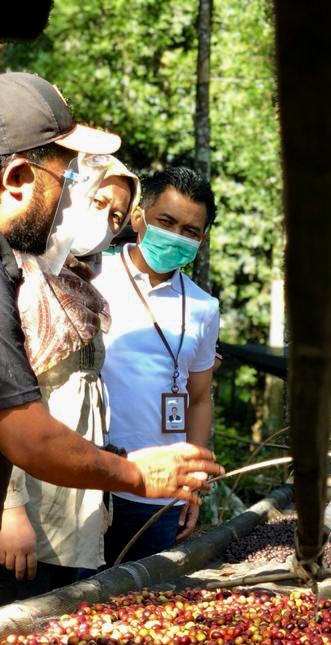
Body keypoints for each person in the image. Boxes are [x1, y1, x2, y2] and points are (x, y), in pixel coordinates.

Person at [0, 73, 221, 638]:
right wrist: (130, 474)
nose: (74, 195)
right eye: (69, 175)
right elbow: (26, 434)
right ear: (19, 178)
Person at [0, 158, 142, 603]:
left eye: (116, 215)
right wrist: (10, 510)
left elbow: (89, 402)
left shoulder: (79, 286)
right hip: (28, 505)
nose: (104, 220)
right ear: (69, 190)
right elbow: (3, 402)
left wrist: (101, 496)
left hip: (75, 504)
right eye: (98, 200)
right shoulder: (18, 276)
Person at [94, 167, 220, 564]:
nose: (176, 235)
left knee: (143, 609)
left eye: (190, 230)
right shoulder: (91, 276)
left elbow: (198, 398)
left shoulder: (204, 306)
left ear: (202, 239)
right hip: (90, 482)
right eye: (166, 221)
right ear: (138, 217)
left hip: (162, 493)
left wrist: (193, 481)